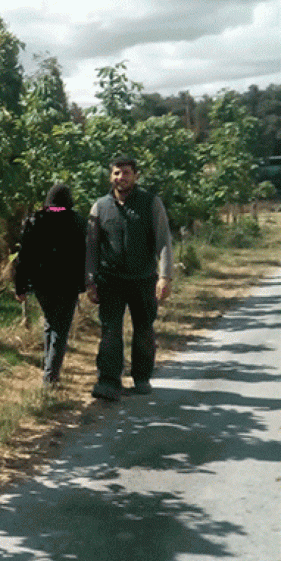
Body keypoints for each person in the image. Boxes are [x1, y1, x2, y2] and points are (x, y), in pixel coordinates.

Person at [86, 156, 173, 401]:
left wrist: (165, 276)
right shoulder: (100, 207)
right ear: (110, 176)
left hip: (144, 279)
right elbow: (91, 246)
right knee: (110, 330)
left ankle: (142, 377)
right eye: (116, 173)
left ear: (135, 175)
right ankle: (108, 381)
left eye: (125, 173)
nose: (120, 177)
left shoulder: (150, 203)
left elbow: (163, 241)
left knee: (144, 329)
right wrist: (90, 281)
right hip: (111, 280)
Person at [14, 183, 87, 389]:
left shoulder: (35, 220)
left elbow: (24, 256)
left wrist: (21, 286)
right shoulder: (77, 221)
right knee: (60, 329)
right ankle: (51, 376)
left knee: (50, 323)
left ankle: (49, 370)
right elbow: (85, 255)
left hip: (42, 284)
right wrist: (87, 283)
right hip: (68, 284)